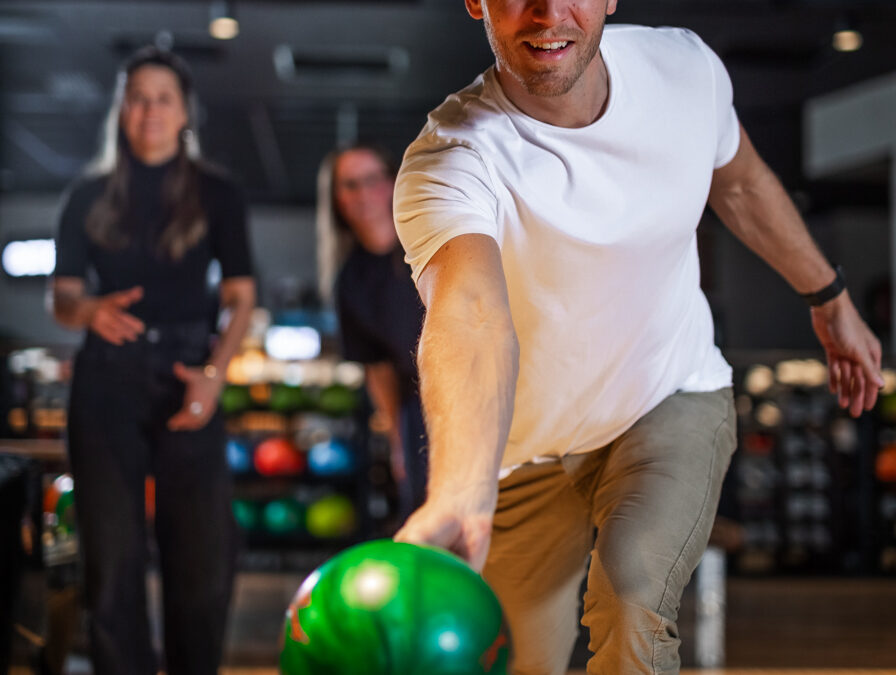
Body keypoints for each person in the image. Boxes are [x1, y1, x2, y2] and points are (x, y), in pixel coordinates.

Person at [391, 1, 883, 673]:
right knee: (510, 658)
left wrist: (829, 298)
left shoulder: (681, 70)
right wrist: (458, 493)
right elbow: (471, 315)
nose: (548, 12)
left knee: (631, 600)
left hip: (667, 395)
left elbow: (737, 185)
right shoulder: (452, 157)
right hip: (528, 452)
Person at [49, 46, 255, 675]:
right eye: (137, 97)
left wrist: (215, 377)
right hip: (106, 382)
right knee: (112, 564)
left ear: (184, 111)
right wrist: (88, 312)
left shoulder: (217, 193)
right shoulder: (86, 195)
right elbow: (62, 294)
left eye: (163, 97)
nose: (150, 110)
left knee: (202, 563)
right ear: (122, 110)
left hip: (188, 377)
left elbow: (241, 297)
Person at [317, 143, 427, 521]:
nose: (363, 194)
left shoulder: (432, 243)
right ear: (336, 199)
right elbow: (377, 369)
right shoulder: (350, 280)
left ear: (393, 182)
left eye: (371, 180)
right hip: (418, 408)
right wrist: (397, 440)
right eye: (349, 185)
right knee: (425, 512)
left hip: (478, 388)